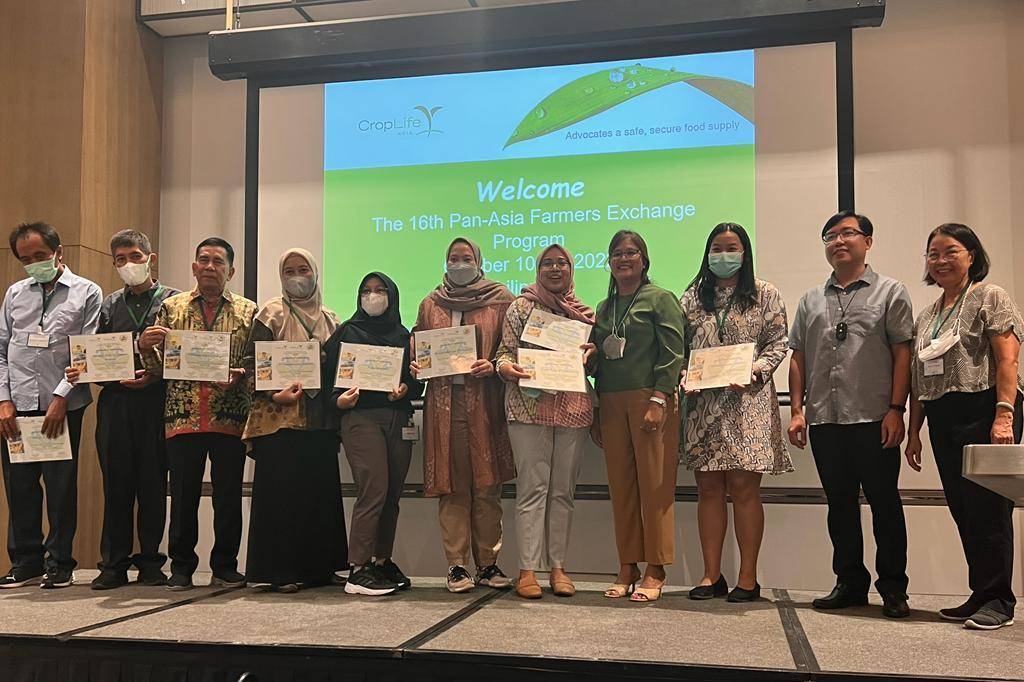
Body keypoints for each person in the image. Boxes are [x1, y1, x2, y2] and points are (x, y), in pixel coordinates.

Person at [787, 210, 913, 619]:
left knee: (884, 504)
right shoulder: (810, 299)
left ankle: (893, 588)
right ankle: (850, 584)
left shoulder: (891, 292)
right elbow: (798, 357)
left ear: (867, 242)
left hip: (874, 417)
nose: (838, 241)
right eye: (830, 236)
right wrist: (797, 410)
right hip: (825, 419)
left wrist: (896, 409)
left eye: (848, 234)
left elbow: (902, 353)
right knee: (839, 505)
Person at [905, 223, 1022, 631]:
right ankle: (981, 592)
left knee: (990, 507)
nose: (940, 261)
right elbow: (919, 381)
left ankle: (1001, 601)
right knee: (963, 508)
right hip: (942, 415)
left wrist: (1004, 414)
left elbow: (1007, 359)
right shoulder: (928, 313)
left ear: (971, 254)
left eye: (950, 251)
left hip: (986, 408)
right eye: (933, 253)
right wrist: (913, 431)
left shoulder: (990, 296)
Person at [680, 223, 792, 603]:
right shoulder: (693, 296)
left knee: (744, 489)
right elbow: (681, 347)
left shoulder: (765, 293)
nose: (723, 254)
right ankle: (712, 575)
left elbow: (779, 343)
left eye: (731, 247)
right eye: (716, 247)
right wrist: (684, 374)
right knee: (708, 488)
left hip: (749, 402)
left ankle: (747, 579)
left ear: (744, 252)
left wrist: (755, 370)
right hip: (703, 406)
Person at [64, 230, 179, 590]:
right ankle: (112, 564)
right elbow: (93, 356)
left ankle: (150, 563)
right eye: (120, 259)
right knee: (116, 486)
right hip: (115, 405)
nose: (129, 264)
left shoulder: (175, 302)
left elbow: (184, 358)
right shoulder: (109, 305)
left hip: (158, 403)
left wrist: (151, 375)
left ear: (151, 258)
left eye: (135, 256)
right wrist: (130, 346)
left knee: (152, 485)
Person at [139, 237, 256, 591]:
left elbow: (255, 363)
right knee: (184, 497)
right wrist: (144, 348)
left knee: (228, 498)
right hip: (182, 417)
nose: (209, 266)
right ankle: (181, 568)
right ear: (193, 267)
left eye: (218, 261)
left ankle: (225, 565)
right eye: (203, 260)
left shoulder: (249, 312)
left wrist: (242, 374)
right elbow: (157, 370)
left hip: (229, 417)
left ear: (231, 271)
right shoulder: (171, 309)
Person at [0, 222, 101, 589]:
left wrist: (61, 397)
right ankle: (25, 561)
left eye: (40, 256)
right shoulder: (14, 294)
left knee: (60, 487)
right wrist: (4, 401)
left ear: (59, 252)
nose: (34, 263)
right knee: (20, 484)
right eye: (25, 259)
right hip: (18, 404)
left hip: (62, 405)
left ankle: (60, 561)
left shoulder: (86, 291)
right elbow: (1, 350)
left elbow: (85, 351)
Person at [412, 237, 516, 593]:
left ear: (479, 261)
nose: (459, 263)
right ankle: (457, 566)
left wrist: (495, 363)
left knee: (487, 486)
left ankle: (488, 564)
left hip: (485, 401)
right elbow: (418, 344)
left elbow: (511, 345)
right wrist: (416, 364)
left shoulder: (501, 299)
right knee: (453, 486)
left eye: (466, 257)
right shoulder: (430, 303)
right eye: (453, 258)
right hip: (445, 404)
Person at [495, 245, 597, 600]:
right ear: (537, 268)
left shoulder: (584, 315)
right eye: (547, 263)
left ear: (572, 268)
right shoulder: (520, 307)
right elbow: (504, 353)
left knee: (562, 493)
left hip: (573, 409)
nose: (555, 268)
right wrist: (507, 368)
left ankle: (558, 568)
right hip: (528, 409)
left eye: (562, 262)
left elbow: (593, 365)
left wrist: (593, 355)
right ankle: (527, 570)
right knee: (532, 490)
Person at [241, 248, 346, 593]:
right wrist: (274, 394)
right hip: (280, 420)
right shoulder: (270, 313)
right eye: (289, 270)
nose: (297, 276)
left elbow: (340, 369)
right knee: (281, 496)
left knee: (318, 495)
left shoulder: (331, 318)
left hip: (320, 421)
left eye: (303, 269)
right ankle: (279, 571)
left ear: (316, 273)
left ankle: (319, 569)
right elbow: (252, 361)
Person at [590, 229, 685, 603]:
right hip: (611, 402)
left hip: (652, 399)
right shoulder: (604, 307)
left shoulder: (660, 299)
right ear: (609, 262)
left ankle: (655, 568)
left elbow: (673, 351)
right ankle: (627, 564)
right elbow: (598, 358)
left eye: (631, 253)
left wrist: (660, 398)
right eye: (616, 253)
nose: (623, 259)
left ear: (644, 260)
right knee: (622, 488)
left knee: (655, 487)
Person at [330, 272, 423, 596]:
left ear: (392, 296)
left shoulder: (404, 335)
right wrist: (338, 400)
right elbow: (327, 379)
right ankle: (357, 568)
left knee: (392, 494)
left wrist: (405, 388)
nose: (373, 296)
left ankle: (381, 561)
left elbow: (416, 380)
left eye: (380, 290)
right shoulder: (346, 332)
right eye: (366, 291)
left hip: (398, 419)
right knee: (374, 488)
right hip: (361, 418)